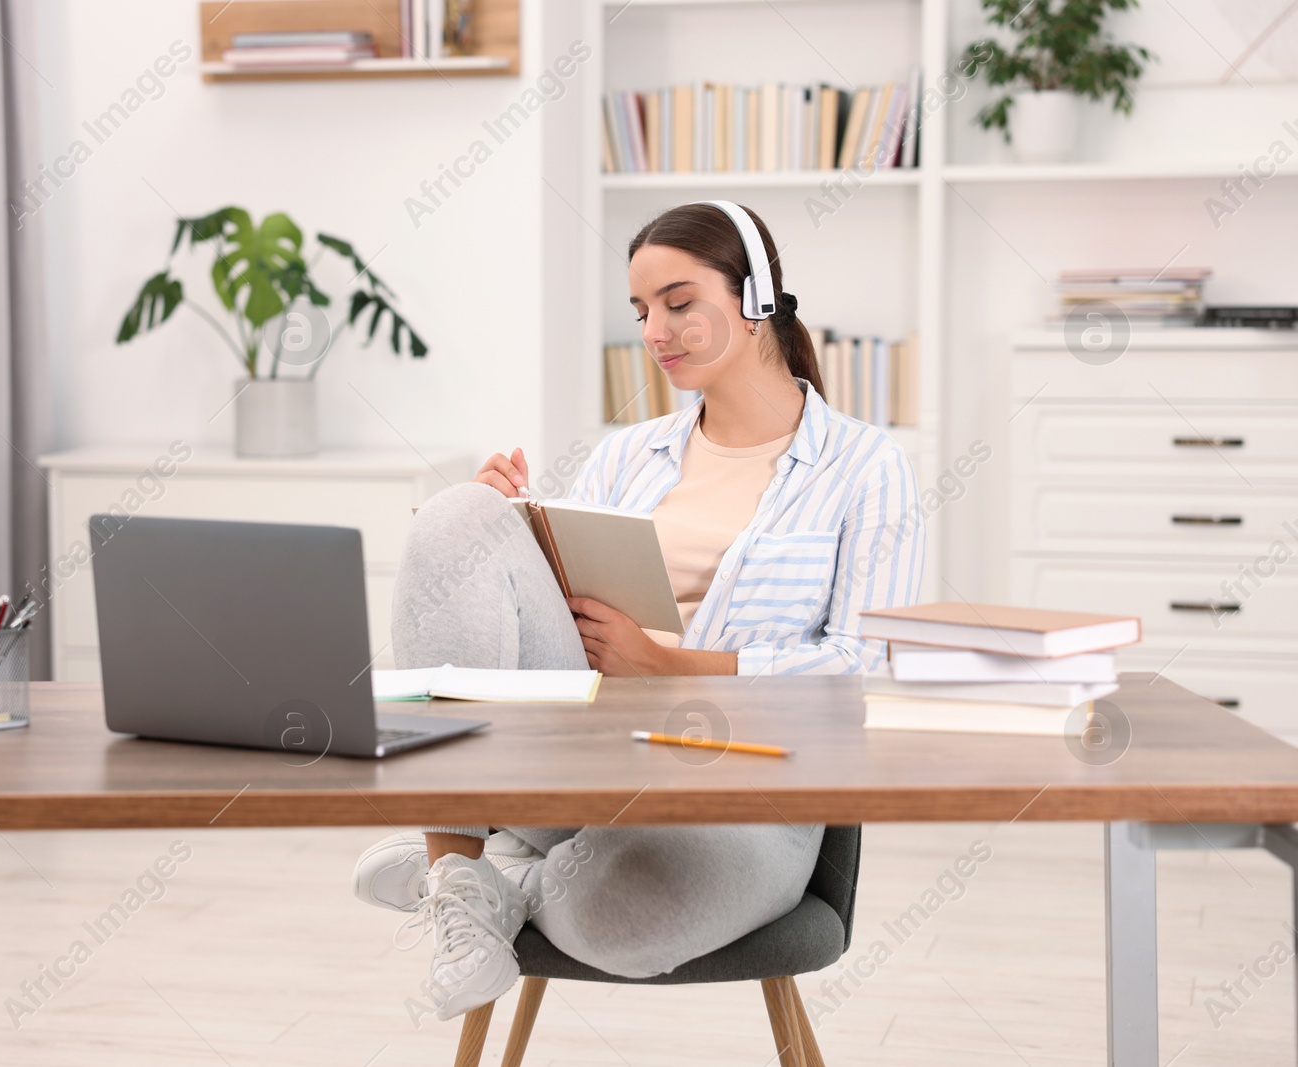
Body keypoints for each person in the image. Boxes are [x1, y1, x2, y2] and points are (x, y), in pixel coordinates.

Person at [351, 201, 924, 1022]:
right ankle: (457, 867)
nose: (656, 330)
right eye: (642, 310)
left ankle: (493, 878)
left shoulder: (868, 467)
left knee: (628, 917)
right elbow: (564, 611)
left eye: (680, 302)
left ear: (756, 297)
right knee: (456, 516)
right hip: (584, 763)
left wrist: (673, 665)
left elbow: (870, 673)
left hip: (746, 799)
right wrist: (511, 535)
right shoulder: (627, 453)